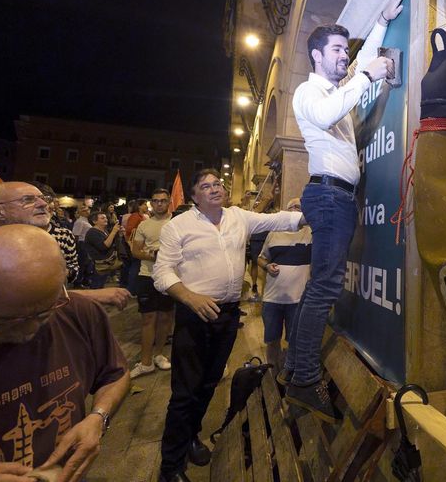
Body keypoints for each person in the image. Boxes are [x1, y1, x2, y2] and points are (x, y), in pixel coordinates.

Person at [284, 0, 406, 422]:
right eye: (336, 50)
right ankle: (302, 380)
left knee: (319, 288)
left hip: (336, 197)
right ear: (317, 56)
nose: (343, 56)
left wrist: (381, 25)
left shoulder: (335, 89)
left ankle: (293, 368)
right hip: (330, 196)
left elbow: (361, 65)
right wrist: (366, 75)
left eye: (344, 49)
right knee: (324, 289)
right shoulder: (308, 93)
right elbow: (329, 110)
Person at [0, 224, 130, 482]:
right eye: (8, 318)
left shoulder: (79, 311)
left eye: (43, 312)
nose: (30, 328)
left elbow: (115, 374)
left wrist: (98, 417)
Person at [152, 169, 304, 482]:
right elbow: (162, 274)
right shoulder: (178, 226)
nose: (214, 189)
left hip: (228, 315)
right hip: (195, 315)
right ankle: (170, 467)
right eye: (205, 186)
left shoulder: (239, 217)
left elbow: (282, 220)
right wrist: (191, 298)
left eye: (217, 184)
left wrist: (304, 207)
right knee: (185, 391)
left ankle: (192, 435)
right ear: (194, 195)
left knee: (209, 383)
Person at [0, 182, 131, 309]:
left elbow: (72, 269)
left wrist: (65, 273)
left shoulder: (60, 235)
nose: (44, 204)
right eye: (28, 199)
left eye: (42, 198)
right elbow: (16, 302)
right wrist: (88, 295)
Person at [258, 198, 311, 367]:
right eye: (292, 207)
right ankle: (272, 371)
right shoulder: (273, 233)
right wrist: (267, 266)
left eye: (299, 207)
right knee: (272, 340)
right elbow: (261, 258)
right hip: (272, 299)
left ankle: (288, 372)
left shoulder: (311, 234)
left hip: (297, 300)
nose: (295, 209)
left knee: (293, 340)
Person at [128, 189, 174, 379]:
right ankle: (146, 362)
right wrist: (152, 255)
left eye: (163, 201)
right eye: (155, 201)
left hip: (170, 277)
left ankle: (159, 355)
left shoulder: (176, 224)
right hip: (147, 275)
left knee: (165, 318)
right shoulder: (144, 225)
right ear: (151, 204)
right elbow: (136, 251)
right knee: (148, 319)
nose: (159, 204)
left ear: (169, 202)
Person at [33, 182, 80, 284]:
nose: (44, 205)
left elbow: (73, 268)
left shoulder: (64, 235)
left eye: (48, 200)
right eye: (33, 200)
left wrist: (60, 273)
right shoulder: (11, 235)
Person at [83, 212, 122, 290]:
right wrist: (114, 231)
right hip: (98, 264)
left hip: (105, 263)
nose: (106, 219)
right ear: (94, 221)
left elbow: (111, 243)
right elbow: (104, 246)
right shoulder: (92, 232)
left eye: (106, 218)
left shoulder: (104, 230)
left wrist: (119, 234)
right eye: (102, 218)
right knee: (96, 286)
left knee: (101, 285)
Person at [72, 205, 93, 288]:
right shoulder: (79, 221)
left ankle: (85, 281)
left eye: (88, 210)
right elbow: (76, 235)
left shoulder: (86, 221)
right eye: (84, 210)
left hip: (87, 244)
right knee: (82, 264)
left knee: (87, 264)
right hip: (82, 243)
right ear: (80, 212)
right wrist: (77, 247)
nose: (87, 212)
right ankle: (78, 282)